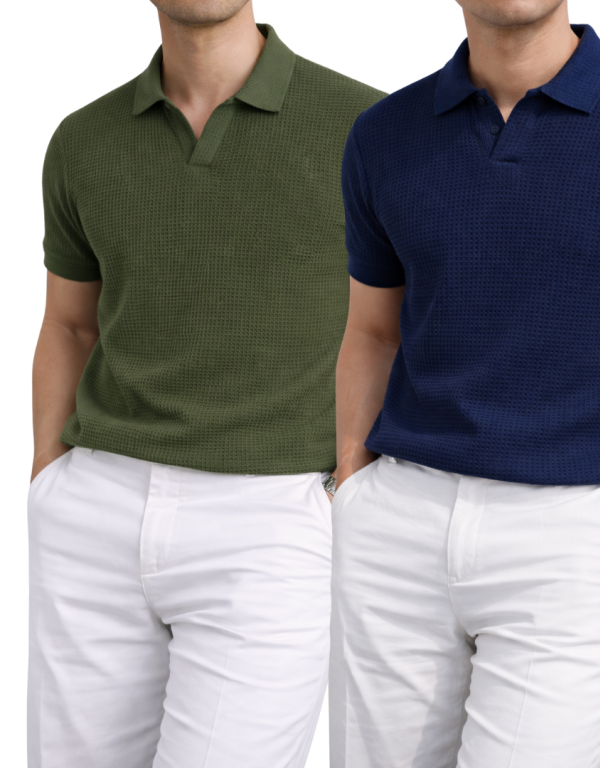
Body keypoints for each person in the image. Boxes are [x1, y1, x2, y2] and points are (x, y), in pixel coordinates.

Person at [330, 1, 600, 766]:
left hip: (572, 536)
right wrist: (353, 486)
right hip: (398, 523)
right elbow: (372, 331)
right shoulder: (383, 134)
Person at [28, 2, 384, 766]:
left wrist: (354, 476)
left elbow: (422, 320)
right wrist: (48, 476)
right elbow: (69, 324)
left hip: (275, 516)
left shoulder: (370, 129)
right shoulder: (83, 140)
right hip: (96, 511)